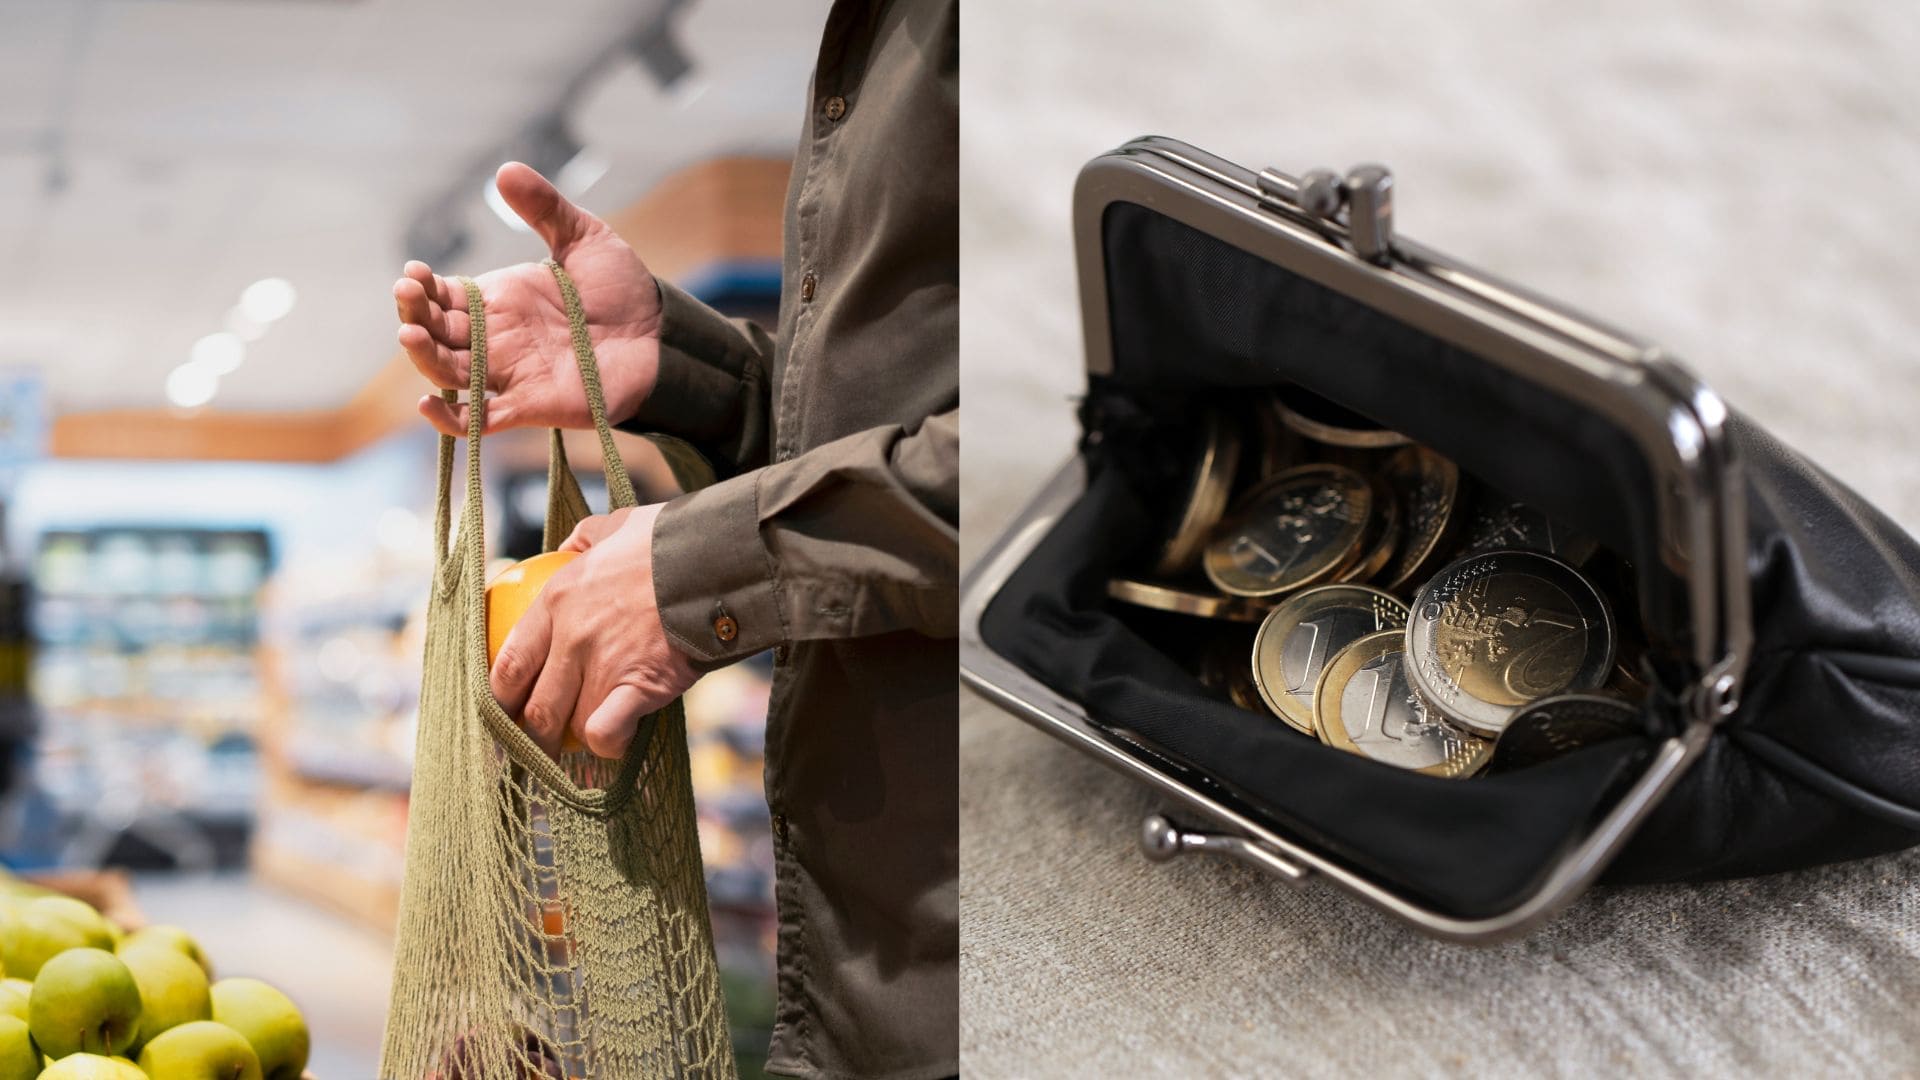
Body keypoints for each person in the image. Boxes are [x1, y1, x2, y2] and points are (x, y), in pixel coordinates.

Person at [390, 1, 957, 1076]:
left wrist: (689, 570)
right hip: (869, 969)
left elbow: (1085, 447)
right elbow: (906, 426)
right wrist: (682, 370)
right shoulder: (880, 40)